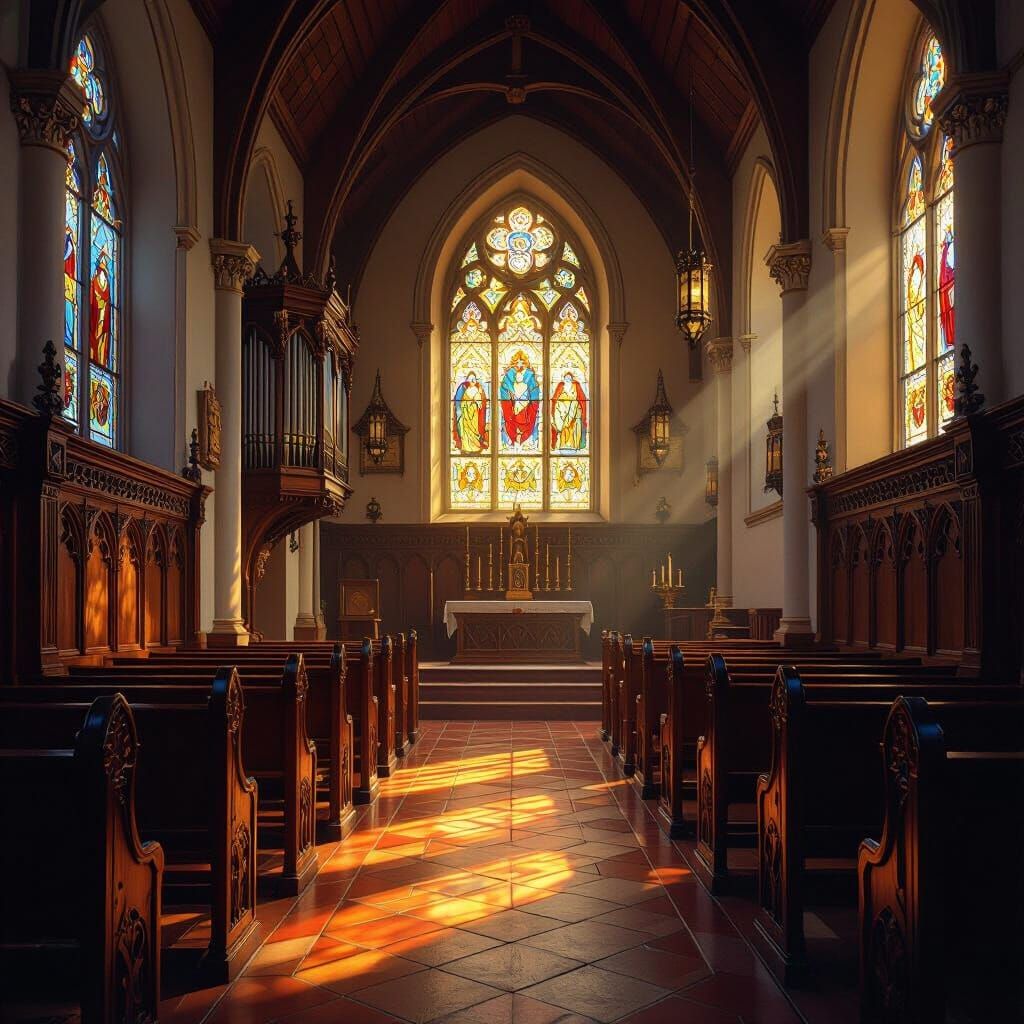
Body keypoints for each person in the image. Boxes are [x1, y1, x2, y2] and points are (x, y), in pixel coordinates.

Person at [499, 351, 540, 448]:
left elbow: (535, 392)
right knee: (512, 422)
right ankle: (514, 440)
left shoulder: (530, 376)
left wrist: (527, 401)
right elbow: (504, 392)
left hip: (526, 408)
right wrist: (511, 400)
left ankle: (524, 441)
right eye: (517, 362)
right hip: (512, 408)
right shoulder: (508, 376)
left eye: (522, 361)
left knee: (525, 421)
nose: (519, 364)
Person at [452, 371, 488, 452]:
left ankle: (475, 445)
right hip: (465, 413)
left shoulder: (478, 389)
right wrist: (465, 404)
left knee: (475, 430)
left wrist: (477, 402)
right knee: (466, 431)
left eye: (474, 379)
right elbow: (459, 402)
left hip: (474, 414)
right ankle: (466, 447)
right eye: (470, 379)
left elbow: (481, 403)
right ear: (467, 379)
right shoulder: (464, 389)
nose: (472, 381)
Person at [550, 371, 587, 451]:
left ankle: (573, 445)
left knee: (573, 426)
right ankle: (563, 445)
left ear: (572, 378)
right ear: (563, 378)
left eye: (569, 378)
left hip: (574, 409)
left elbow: (582, 398)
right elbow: (555, 399)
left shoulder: (576, 385)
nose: (567, 379)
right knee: (563, 428)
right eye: (566, 378)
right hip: (562, 411)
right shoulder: (561, 386)